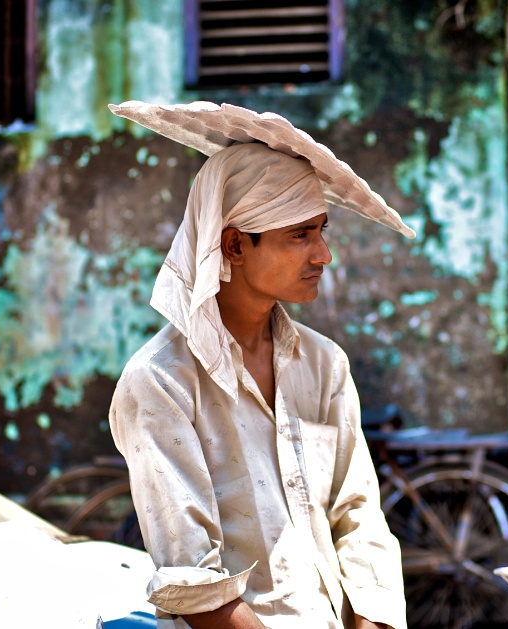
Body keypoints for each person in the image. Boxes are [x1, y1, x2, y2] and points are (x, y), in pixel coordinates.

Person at [108, 102, 415, 629]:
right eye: (300, 235)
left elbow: (360, 520)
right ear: (234, 245)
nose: (323, 255)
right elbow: (195, 583)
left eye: (322, 230)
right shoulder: (159, 382)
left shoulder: (324, 366)